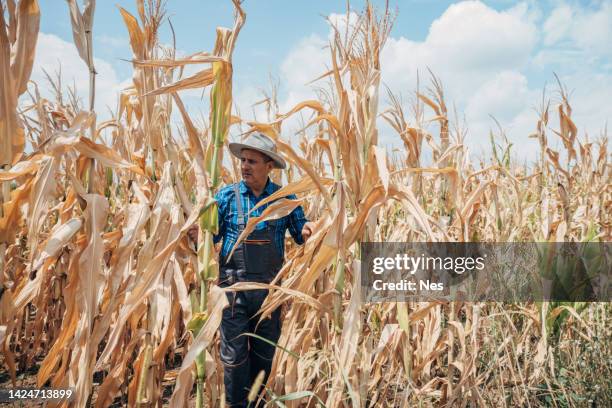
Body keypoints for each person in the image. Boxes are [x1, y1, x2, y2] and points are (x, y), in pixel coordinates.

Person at [189, 133, 314, 407]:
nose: (245, 166)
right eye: (243, 160)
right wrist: (197, 233)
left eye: (252, 161)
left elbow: (300, 231)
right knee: (234, 360)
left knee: (264, 357)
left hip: (269, 293)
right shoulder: (226, 197)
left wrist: (309, 230)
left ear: (269, 165)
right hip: (233, 291)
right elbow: (209, 240)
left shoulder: (284, 198)